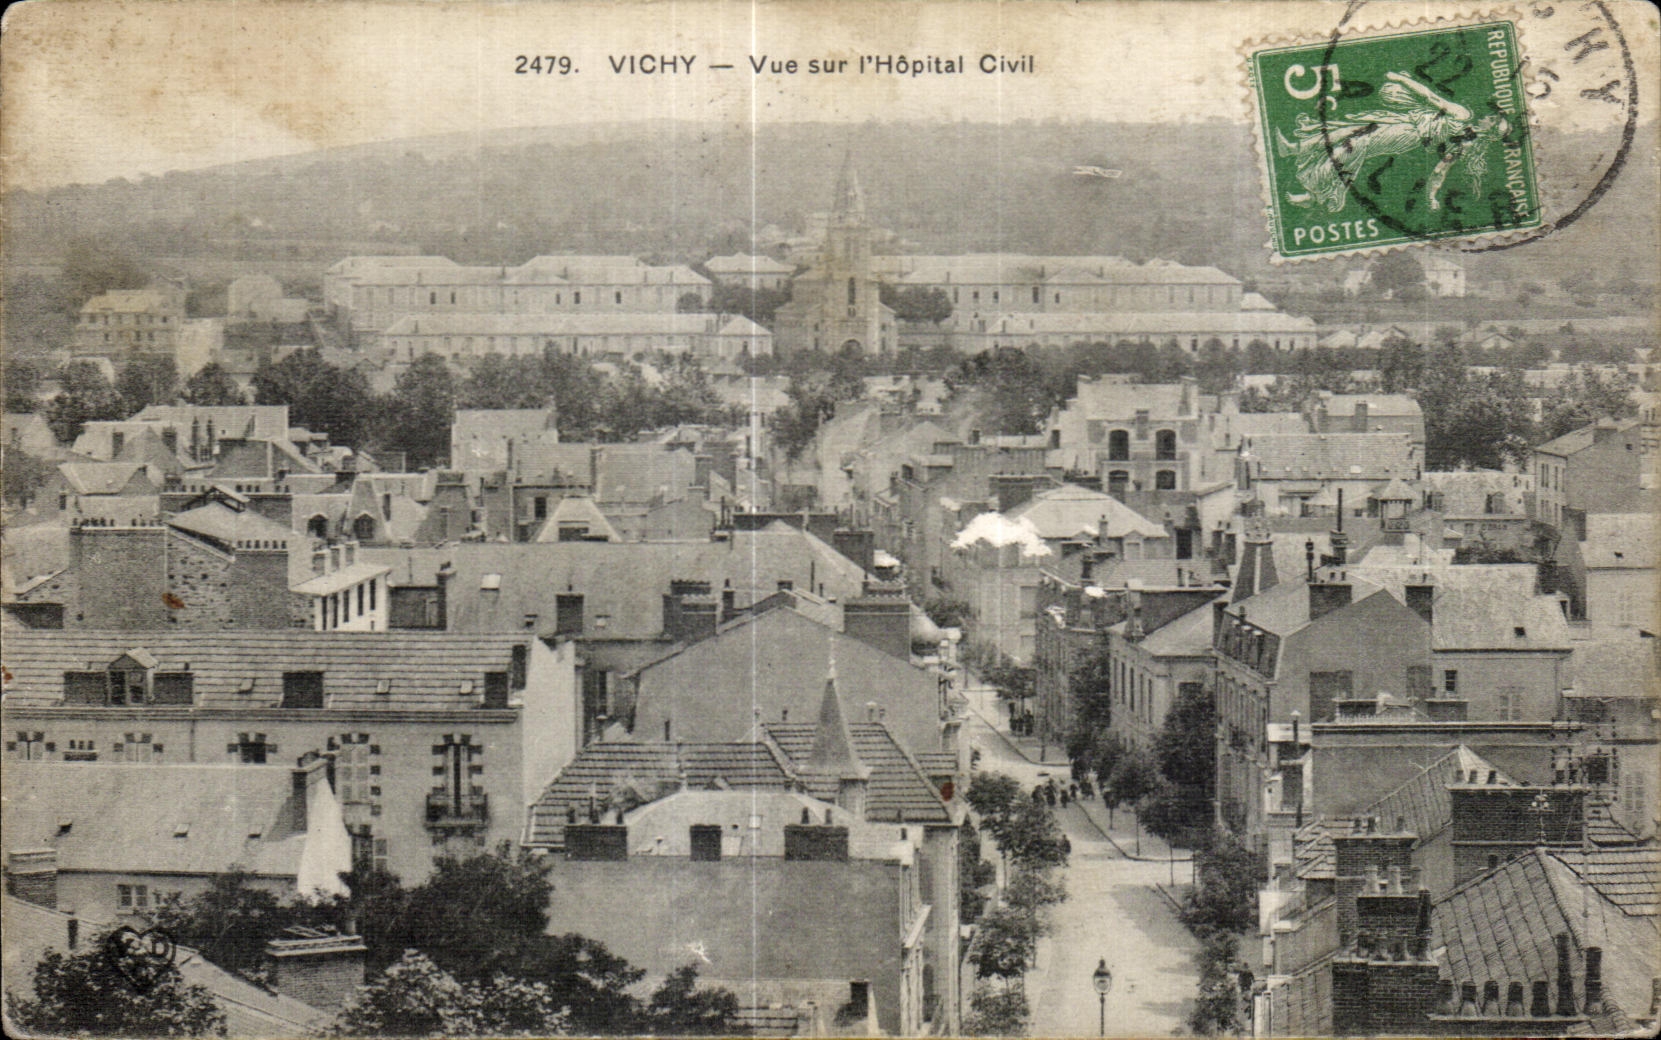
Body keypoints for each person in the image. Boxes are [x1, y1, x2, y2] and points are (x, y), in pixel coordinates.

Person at [1273, 70, 1510, 214]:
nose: (1489, 116)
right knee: (1349, 129)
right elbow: (1439, 171)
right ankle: (1295, 148)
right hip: (1404, 122)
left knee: (1353, 147)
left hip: (1407, 134)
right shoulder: (1465, 139)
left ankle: (1315, 194)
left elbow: (1430, 97)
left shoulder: (1462, 117)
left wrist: (1401, 80)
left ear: (1490, 131)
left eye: (1493, 120)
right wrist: (1431, 196)